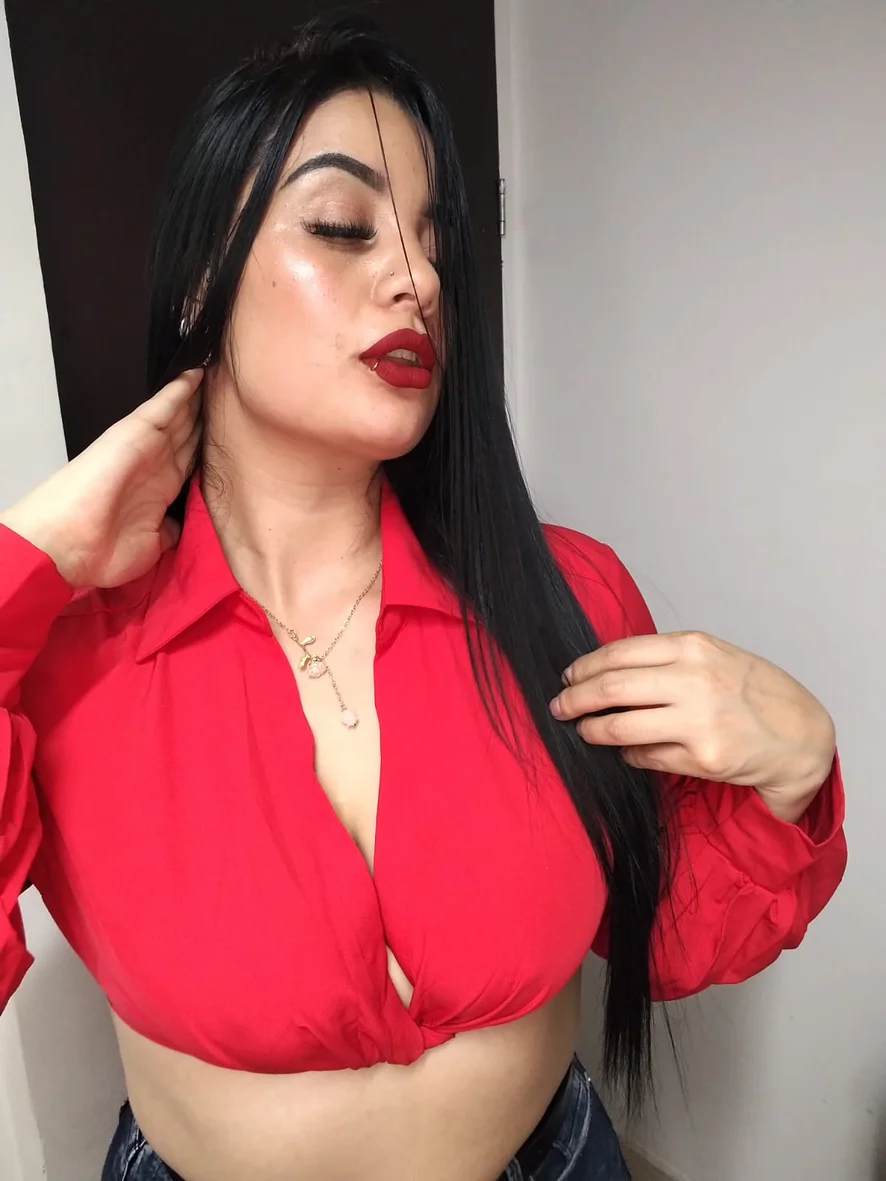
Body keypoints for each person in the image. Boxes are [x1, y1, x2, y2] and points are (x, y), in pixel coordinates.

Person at [0, 15, 846, 1181]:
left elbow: (661, 922)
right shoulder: (60, 653)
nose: (420, 279)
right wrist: (29, 556)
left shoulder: (562, 592)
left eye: (436, 241)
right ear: (199, 281)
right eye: (343, 226)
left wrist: (792, 776)